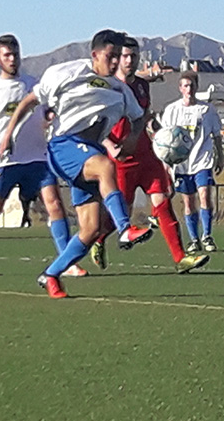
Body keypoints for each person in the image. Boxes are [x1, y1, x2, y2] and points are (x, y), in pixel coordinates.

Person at [0, 29, 153, 299]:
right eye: (111, 56)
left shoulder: (120, 89)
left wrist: (132, 138)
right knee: (106, 166)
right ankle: (125, 228)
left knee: (90, 229)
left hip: (89, 153)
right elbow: (29, 100)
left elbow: (140, 116)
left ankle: (50, 275)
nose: (116, 62)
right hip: (64, 146)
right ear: (95, 54)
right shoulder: (66, 73)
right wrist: (8, 134)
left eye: (119, 56)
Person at [0, 34, 84, 279]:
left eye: (15, 54)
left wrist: (49, 119)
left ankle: (67, 261)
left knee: (55, 204)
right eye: (7, 56)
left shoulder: (34, 84)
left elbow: (45, 114)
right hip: (4, 161)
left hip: (36, 157)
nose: (12, 59)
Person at [89, 37, 210, 273]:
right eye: (125, 56)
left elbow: (144, 117)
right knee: (122, 214)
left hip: (147, 155)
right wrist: (110, 145)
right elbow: (94, 123)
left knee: (163, 202)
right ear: (116, 58)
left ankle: (181, 258)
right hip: (121, 161)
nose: (130, 60)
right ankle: (99, 239)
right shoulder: (106, 87)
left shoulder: (143, 86)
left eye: (134, 56)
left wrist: (161, 134)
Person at [159, 71, 224, 253]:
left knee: (204, 195)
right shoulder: (172, 110)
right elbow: (164, 139)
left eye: (192, 85)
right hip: (181, 163)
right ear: (180, 88)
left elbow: (217, 135)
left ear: (197, 87)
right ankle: (194, 239)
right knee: (188, 202)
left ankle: (207, 236)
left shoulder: (207, 110)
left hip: (202, 160)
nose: (189, 89)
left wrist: (220, 155)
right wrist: (165, 165)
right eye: (186, 85)